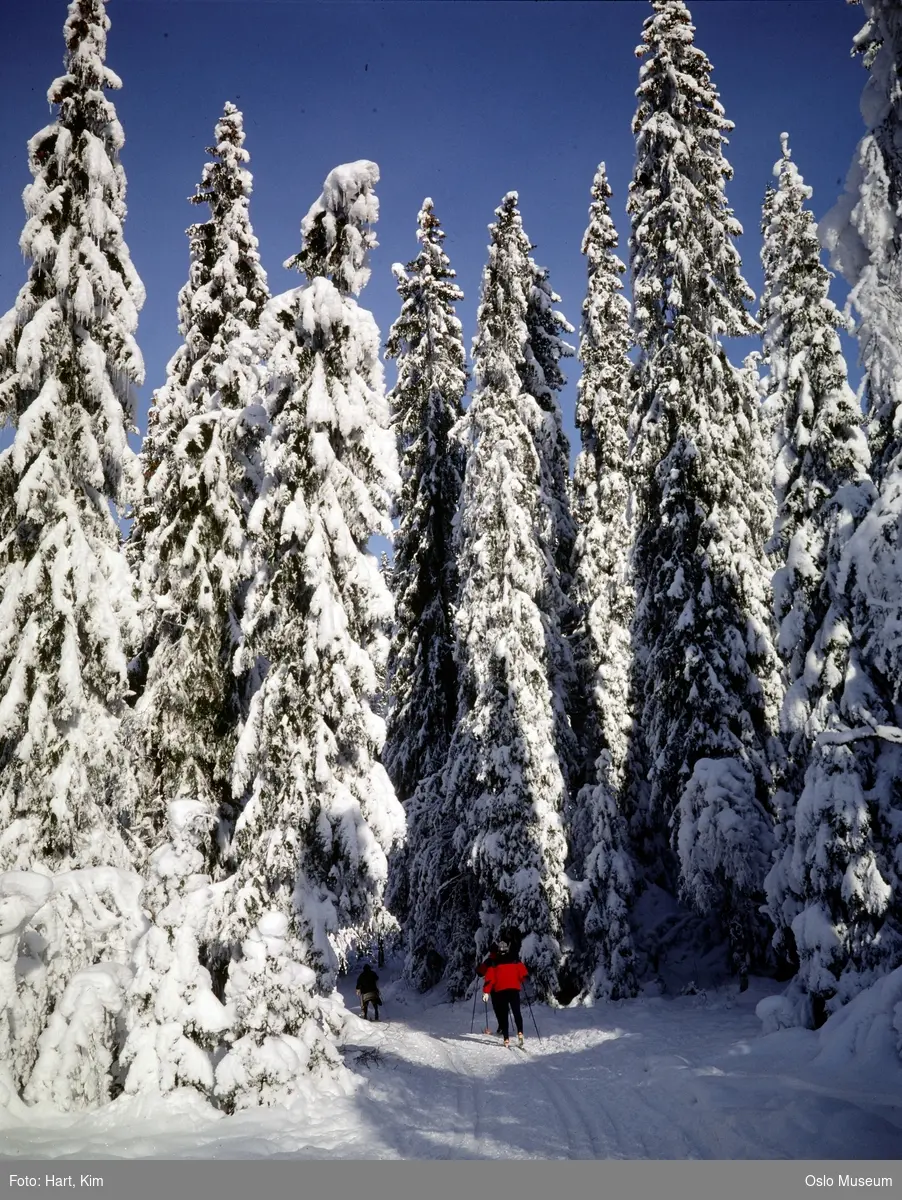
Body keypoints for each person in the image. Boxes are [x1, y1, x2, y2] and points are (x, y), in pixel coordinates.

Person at [484, 940, 528, 1048]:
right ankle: (520, 1033)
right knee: (517, 1012)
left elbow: (490, 979)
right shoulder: (515, 960)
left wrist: (486, 992)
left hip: (500, 992)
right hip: (514, 990)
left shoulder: (494, 962)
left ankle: (506, 1039)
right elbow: (523, 973)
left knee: (504, 1015)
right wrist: (521, 979)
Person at [475, 942, 503, 1036]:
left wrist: (477, 968)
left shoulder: (488, 961)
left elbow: (480, 973)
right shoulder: (503, 959)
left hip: (494, 988)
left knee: (497, 1007)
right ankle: (503, 1026)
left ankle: (501, 1026)